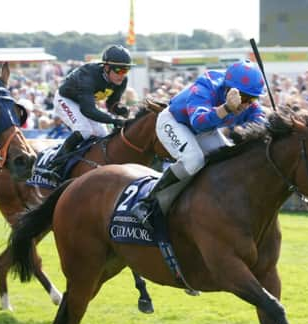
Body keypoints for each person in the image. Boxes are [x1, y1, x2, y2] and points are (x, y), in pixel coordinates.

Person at [130, 59, 266, 229]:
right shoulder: (206, 85)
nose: (245, 104)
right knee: (194, 160)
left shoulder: (248, 103)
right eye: (242, 97)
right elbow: (198, 122)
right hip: (174, 121)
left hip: (205, 129)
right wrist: (226, 108)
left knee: (228, 160)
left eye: (251, 99)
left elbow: (261, 120)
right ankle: (148, 203)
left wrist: (272, 124)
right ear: (228, 89)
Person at [46, 44, 133, 174]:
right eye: (119, 70)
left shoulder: (121, 81)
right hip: (66, 99)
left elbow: (111, 105)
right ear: (107, 67)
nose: (122, 75)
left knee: (103, 134)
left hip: (85, 103)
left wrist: (121, 111)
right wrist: (114, 121)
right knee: (84, 130)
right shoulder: (89, 76)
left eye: (125, 70)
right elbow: (88, 111)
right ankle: (55, 165)